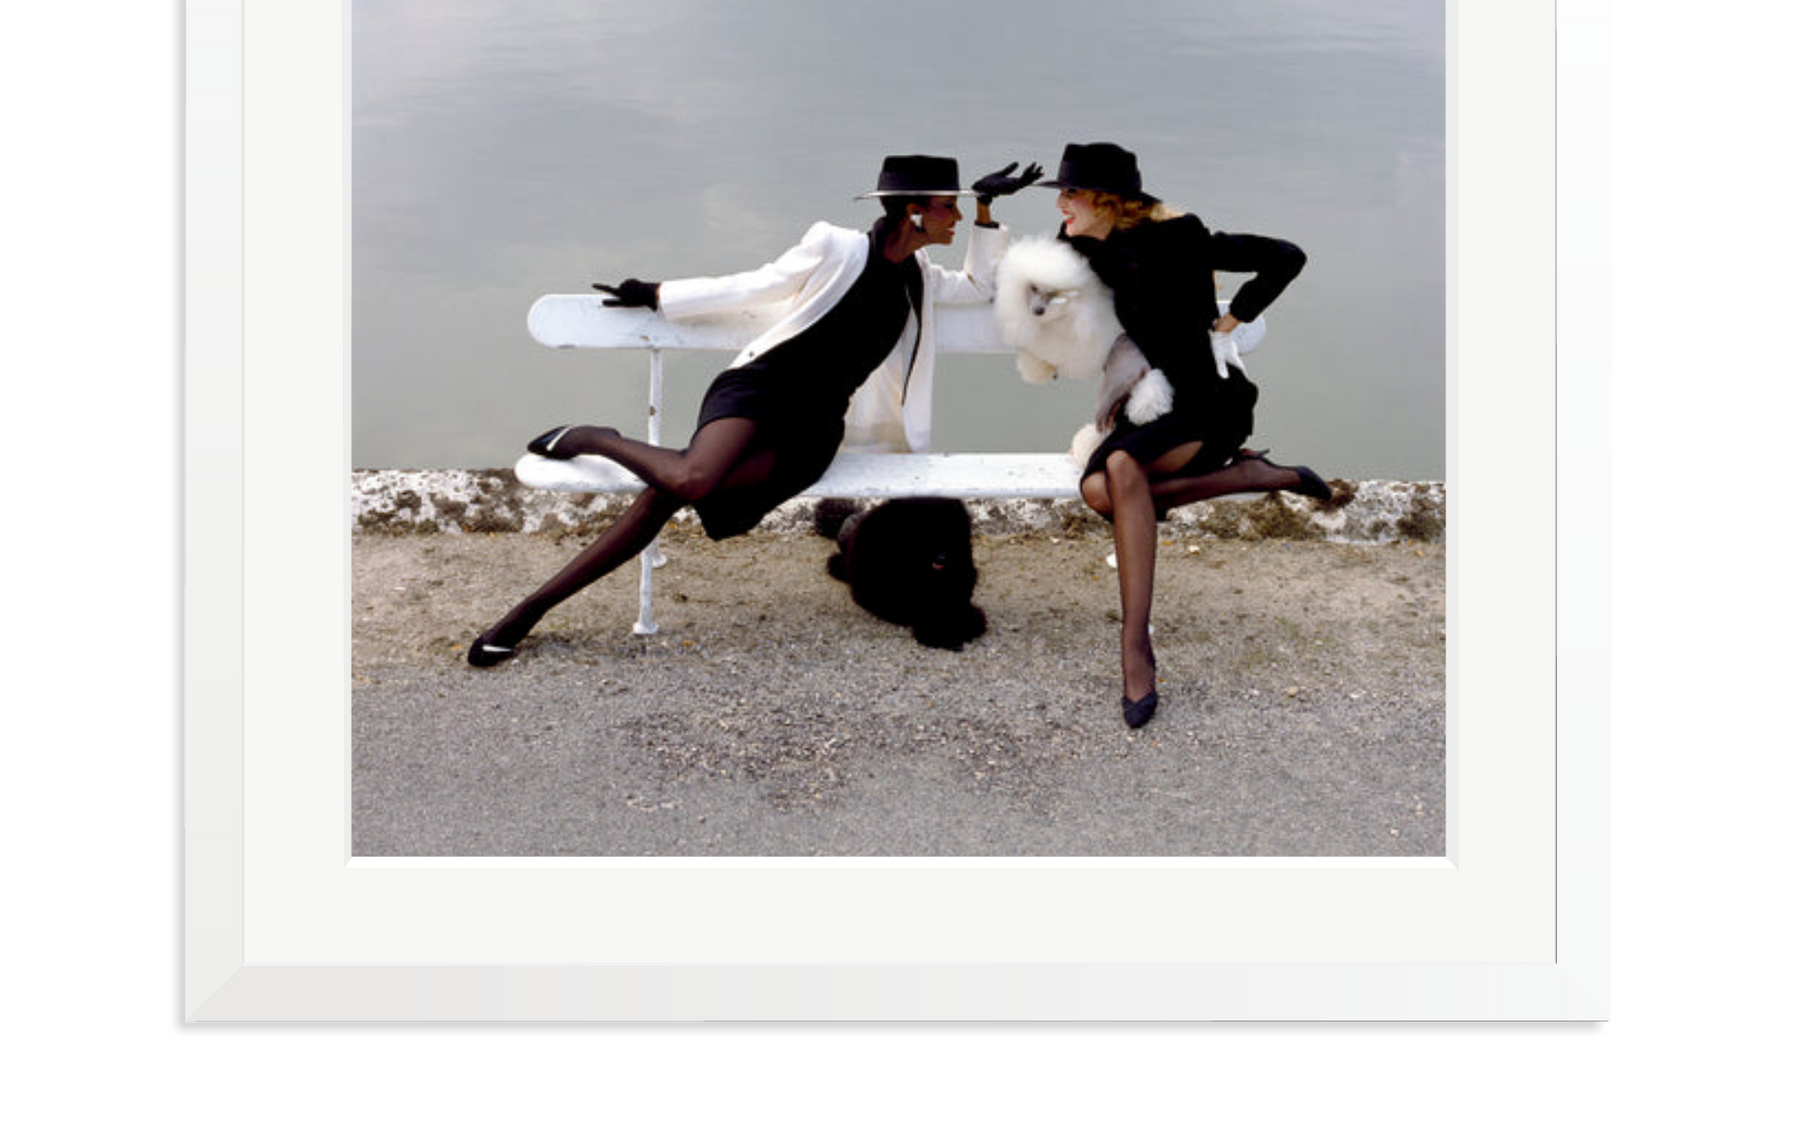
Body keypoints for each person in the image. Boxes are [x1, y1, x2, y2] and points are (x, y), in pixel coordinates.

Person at [467, 154, 1040, 666]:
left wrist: (987, 211)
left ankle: (526, 613)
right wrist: (660, 294)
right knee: (690, 479)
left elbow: (979, 287)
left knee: (666, 494)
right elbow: (756, 285)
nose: (956, 218)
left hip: (812, 430)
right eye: (949, 207)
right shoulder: (836, 247)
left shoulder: (920, 278)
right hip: (759, 390)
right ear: (914, 212)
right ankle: (595, 439)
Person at [1039, 142, 1333, 730]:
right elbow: (1034, 285)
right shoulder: (1084, 245)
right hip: (1155, 409)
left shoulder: (1181, 236)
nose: (1061, 203)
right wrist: (988, 214)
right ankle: (1247, 475)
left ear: (1107, 199)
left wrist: (1237, 315)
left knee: (1119, 472)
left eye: (1071, 192)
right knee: (1099, 493)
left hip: (1208, 405)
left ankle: (1135, 648)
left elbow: (1287, 256)